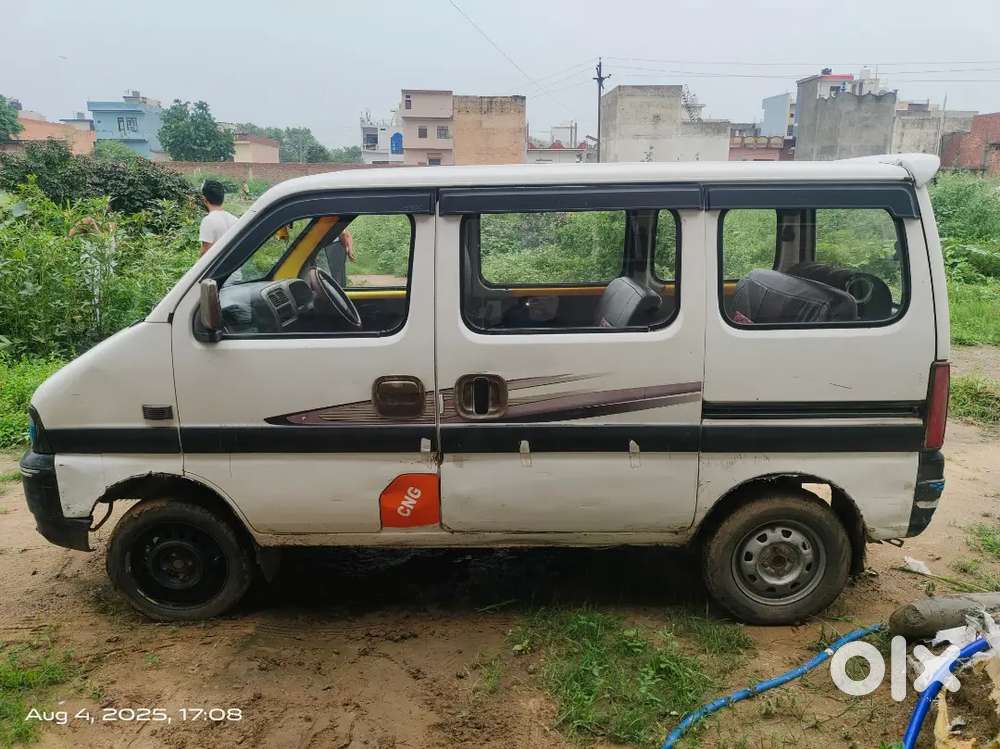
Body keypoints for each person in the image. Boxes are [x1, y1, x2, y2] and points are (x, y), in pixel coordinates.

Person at [198, 180, 238, 256]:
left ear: (204, 199)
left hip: (218, 267)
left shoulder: (208, 221)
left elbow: (205, 251)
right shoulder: (235, 219)